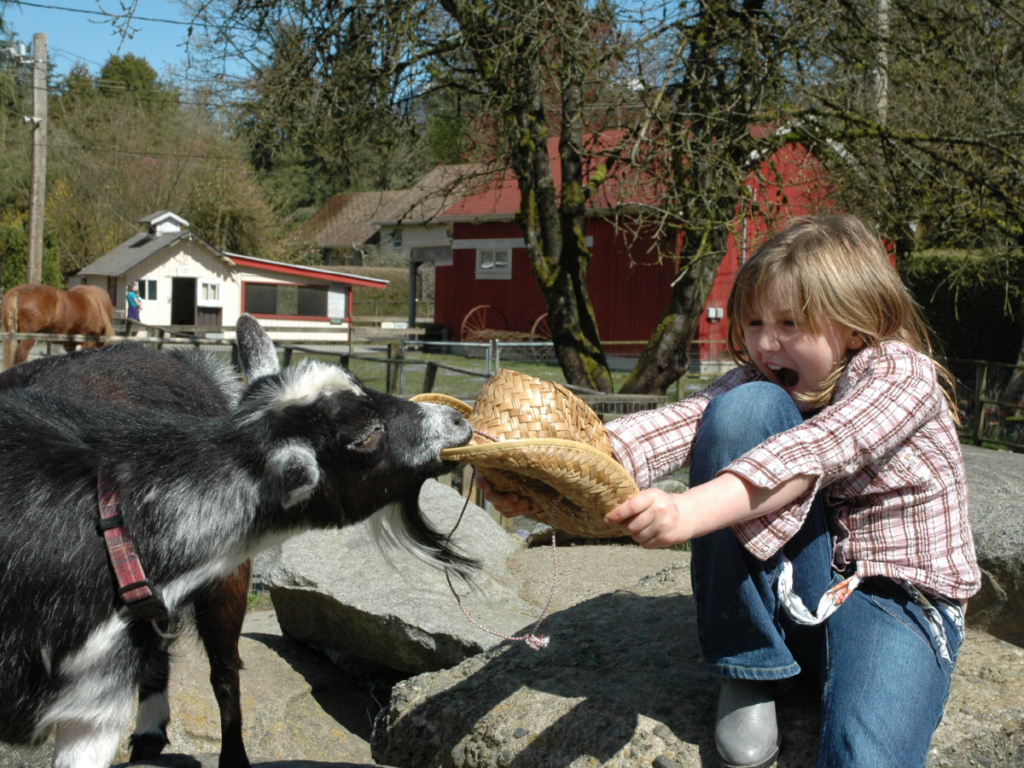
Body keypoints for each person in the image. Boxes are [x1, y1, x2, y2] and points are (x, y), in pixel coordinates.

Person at [479, 214, 979, 768]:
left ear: (856, 327)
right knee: (736, 411)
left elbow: (824, 446)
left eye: (790, 323)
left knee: (866, 754)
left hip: (894, 600)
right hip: (804, 598)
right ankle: (750, 661)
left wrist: (689, 511)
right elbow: (672, 425)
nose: (766, 343)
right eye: (756, 322)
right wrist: (549, 472)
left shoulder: (901, 373)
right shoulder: (760, 381)